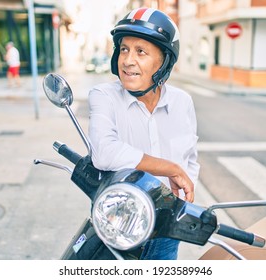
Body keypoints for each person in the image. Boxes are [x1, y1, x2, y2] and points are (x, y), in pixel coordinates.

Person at [88, 7, 200, 260]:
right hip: (118, 225)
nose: (128, 60)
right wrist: (171, 168)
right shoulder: (103, 96)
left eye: (141, 52)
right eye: (124, 49)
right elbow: (104, 153)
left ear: (164, 62)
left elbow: (190, 158)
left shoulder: (183, 102)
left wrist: (185, 202)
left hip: (167, 226)